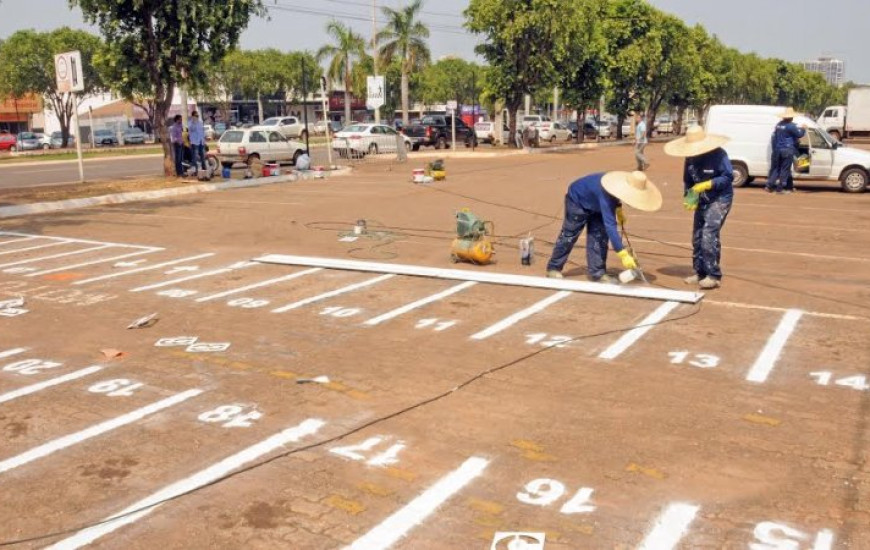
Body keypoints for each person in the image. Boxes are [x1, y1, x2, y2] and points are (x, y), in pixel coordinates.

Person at [546, 171, 662, 283]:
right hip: (578, 200)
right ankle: (554, 267)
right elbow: (610, 226)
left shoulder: (617, 187)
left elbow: (616, 197)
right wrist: (622, 253)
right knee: (569, 235)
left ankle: (598, 272)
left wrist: (619, 210)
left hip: (597, 203)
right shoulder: (606, 194)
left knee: (599, 237)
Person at [664, 125, 733, 290]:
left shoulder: (719, 155)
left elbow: (728, 176)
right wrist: (689, 196)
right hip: (701, 198)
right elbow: (688, 180)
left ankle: (713, 275)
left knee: (709, 234)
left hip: (720, 198)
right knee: (697, 236)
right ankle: (700, 271)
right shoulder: (690, 158)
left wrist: (708, 184)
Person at [766, 107, 806, 194]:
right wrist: (803, 129)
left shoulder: (778, 125)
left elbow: (775, 136)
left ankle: (769, 185)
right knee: (785, 169)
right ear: (791, 117)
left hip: (777, 149)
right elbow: (799, 135)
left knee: (776, 168)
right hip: (787, 150)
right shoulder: (791, 126)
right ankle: (780, 188)